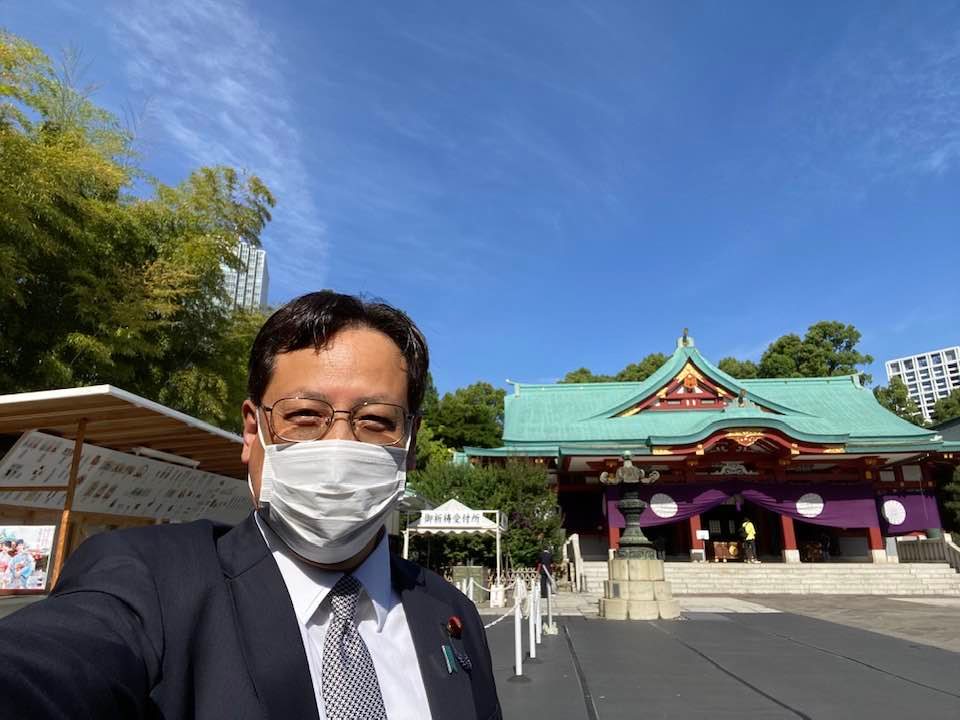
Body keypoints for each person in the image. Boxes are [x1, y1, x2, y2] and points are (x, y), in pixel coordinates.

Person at [0, 291, 501, 720]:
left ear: (408, 443)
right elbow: (45, 665)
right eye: (304, 415)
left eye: (376, 420)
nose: (339, 445)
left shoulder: (451, 611)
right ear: (251, 429)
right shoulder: (151, 582)